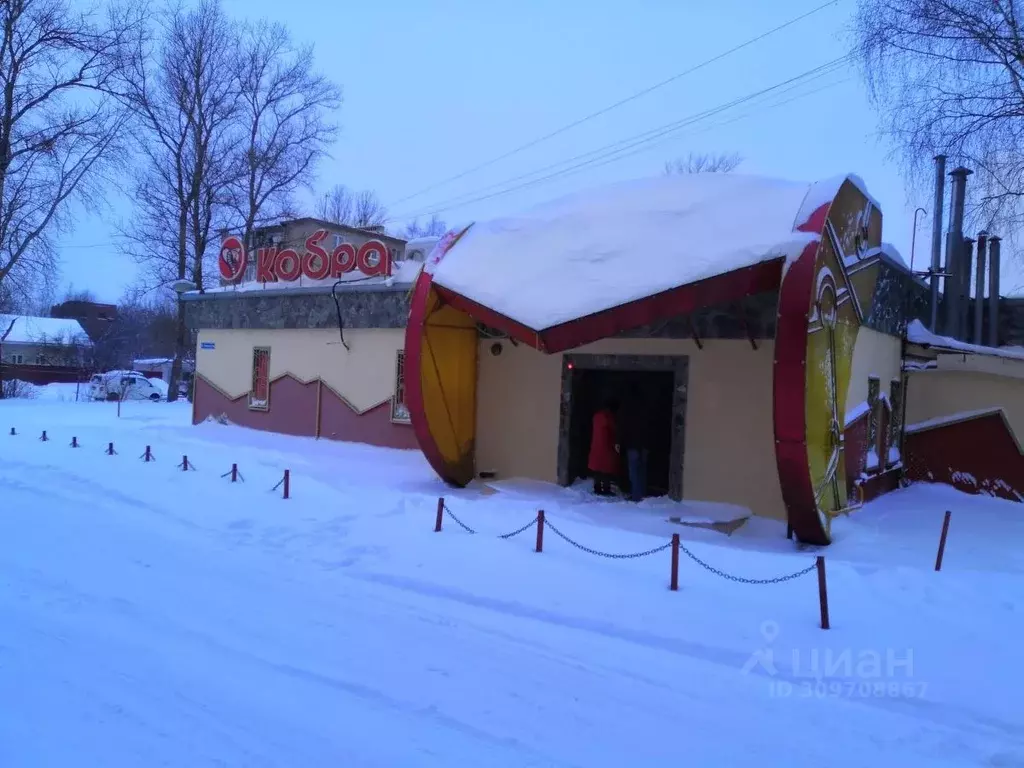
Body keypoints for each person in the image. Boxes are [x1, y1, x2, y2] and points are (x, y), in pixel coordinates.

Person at [619, 383, 650, 502]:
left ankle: (636, 496)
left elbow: (623, 426)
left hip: (632, 444)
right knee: (642, 470)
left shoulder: (627, 408)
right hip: (644, 444)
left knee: (634, 471)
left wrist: (620, 441)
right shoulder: (646, 408)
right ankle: (642, 494)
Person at [588, 397, 620, 496]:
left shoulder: (597, 416)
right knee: (606, 469)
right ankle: (606, 488)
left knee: (597, 469)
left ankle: (597, 487)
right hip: (606, 446)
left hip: (596, 445)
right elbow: (614, 430)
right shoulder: (609, 417)